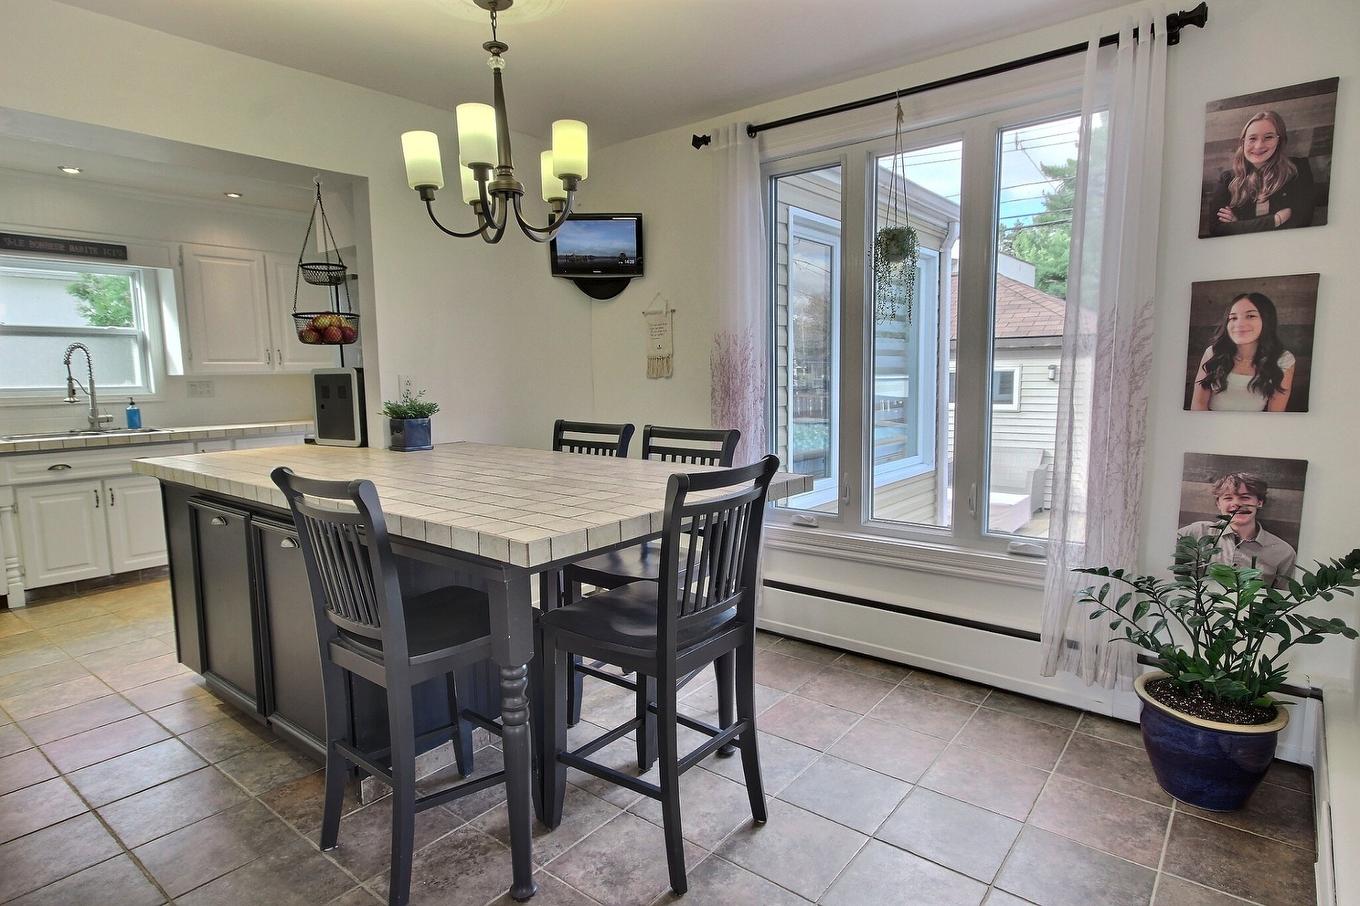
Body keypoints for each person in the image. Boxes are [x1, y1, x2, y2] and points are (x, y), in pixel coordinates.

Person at [1206, 110, 1315, 236]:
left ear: (1279, 141)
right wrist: (1275, 220)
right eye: (1252, 138)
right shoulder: (1227, 179)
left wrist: (1239, 224)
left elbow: (1302, 221)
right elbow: (1217, 229)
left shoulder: (1298, 168)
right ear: (1243, 142)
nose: (1258, 146)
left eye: (1268, 137)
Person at [1179, 471, 1297, 588]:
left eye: (1245, 497)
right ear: (1218, 504)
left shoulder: (1284, 553)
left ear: (1259, 502)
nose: (1236, 503)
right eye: (1228, 498)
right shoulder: (1194, 533)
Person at [1190, 292, 1295, 411]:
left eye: (1250, 316)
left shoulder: (1284, 359)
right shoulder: (1213, 352)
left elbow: (1275, 414)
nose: (1239, 324)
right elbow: (1198, 404)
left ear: (1267, 320)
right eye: (1233, 318)